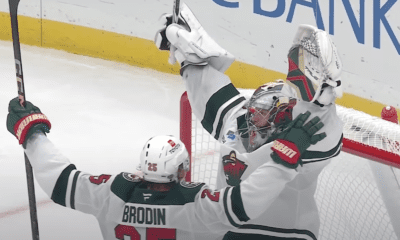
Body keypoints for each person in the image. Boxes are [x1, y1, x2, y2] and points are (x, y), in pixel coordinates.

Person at [7, 97, 326, 240]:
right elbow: (248, 202)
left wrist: (31, 132)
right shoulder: (197, 206)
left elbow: (60, 181)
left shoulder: (112, 192)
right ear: (183, 169)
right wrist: (285, 156)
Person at [154, 2, 344, 239]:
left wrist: (324, 96)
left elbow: (325, 127)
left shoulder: (303, 136)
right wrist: (183, 48)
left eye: (266, 110)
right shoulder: (235, 121)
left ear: (284, 116)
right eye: (255, 106)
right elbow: (204, 82)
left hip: (289, 234)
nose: (254, 114)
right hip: (230, 230)